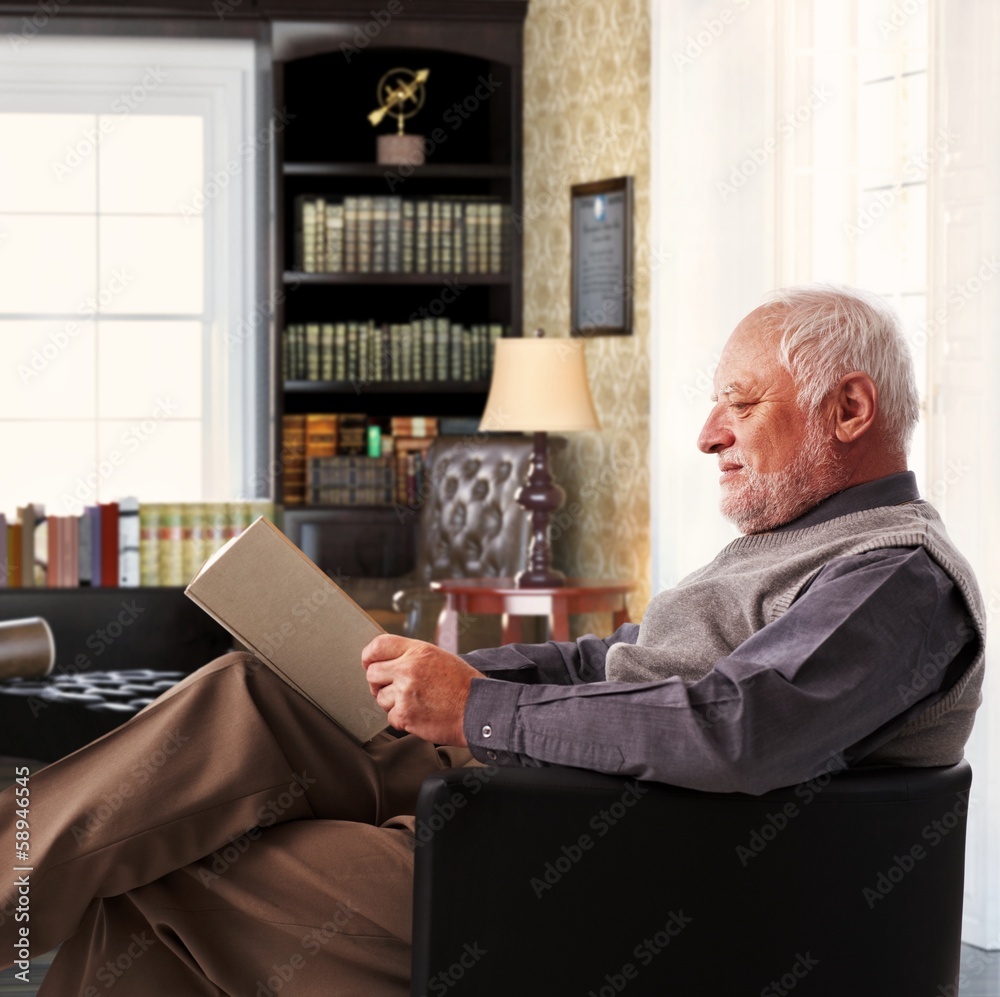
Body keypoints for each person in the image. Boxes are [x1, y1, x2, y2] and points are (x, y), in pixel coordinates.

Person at [0, 285, 985, 995]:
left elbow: (737, 731)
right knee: (257, 696)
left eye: (739, 401)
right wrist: (443, 673)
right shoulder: (783, 549)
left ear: (848, 409)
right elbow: (605, 662)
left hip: (597, 868)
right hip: (535, 798)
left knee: (168, 861)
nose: (705, 433)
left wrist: (474, 708)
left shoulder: (894, 576)